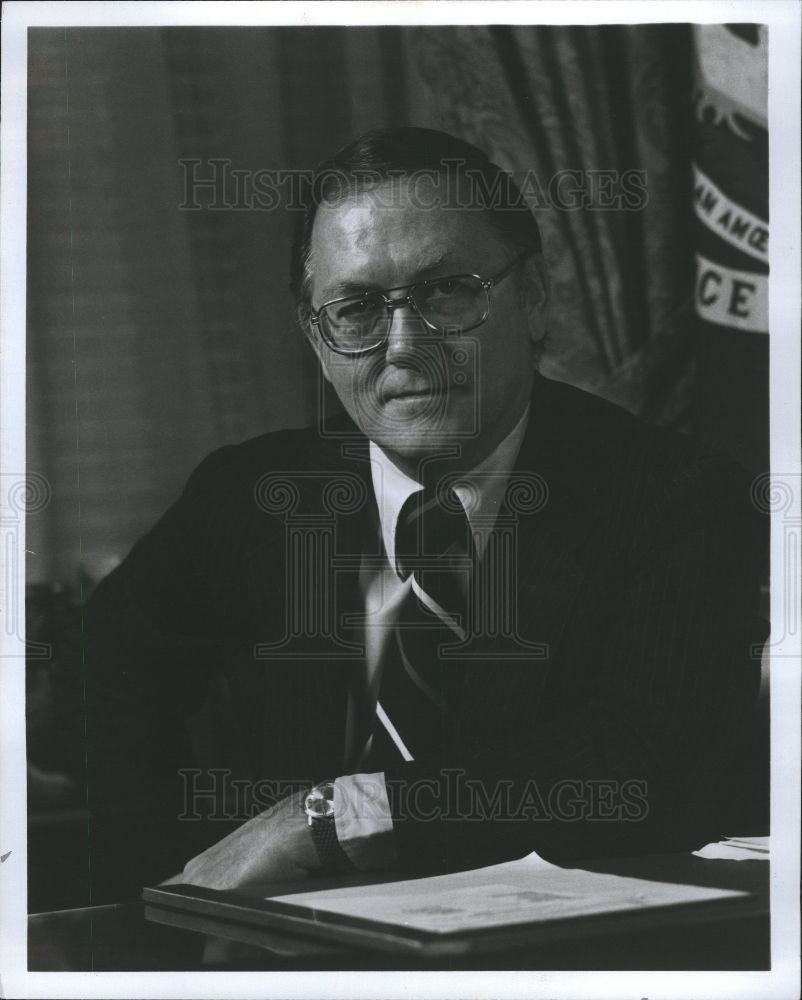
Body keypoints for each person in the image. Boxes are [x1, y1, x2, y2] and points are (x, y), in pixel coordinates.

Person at [53, 127, 767, 902]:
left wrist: (332, 818)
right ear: (316, 340)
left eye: (447, 291)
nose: (407, 345)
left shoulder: (677, 498)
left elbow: (643, 761)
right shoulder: (249, 494)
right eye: (357, 309)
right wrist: (177, 898)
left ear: (532, 298)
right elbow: (96, 692)